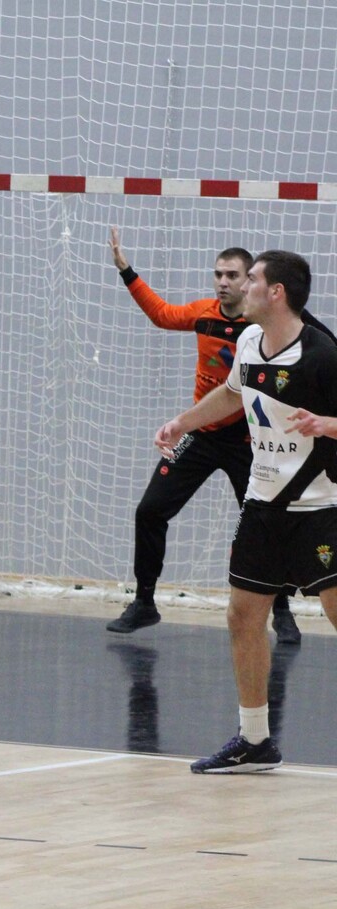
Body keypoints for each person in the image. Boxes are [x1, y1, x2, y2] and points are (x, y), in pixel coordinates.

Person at [155, 250, 337, 773]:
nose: (240, 285)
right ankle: (255, 741)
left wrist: (328, 425)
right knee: (243, 616)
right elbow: (233, 394)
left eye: (251, 278)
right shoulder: (250, 341)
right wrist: (182, 423)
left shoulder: (322, 355)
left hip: (321, 506)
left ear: (276, 292)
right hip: (263, 504)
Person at [107, 229, 307, 643]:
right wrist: (127, 271)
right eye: (218, 274)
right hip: (201, 434)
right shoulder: (203, 313)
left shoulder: (263, 325)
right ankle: (144, 602)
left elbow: (305, 334)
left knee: (269, 521)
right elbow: (161, 314)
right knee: (149, 510)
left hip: (248, 441)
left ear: (250, 281)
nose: (223, 282)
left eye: (232, 275)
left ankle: (283, 610)